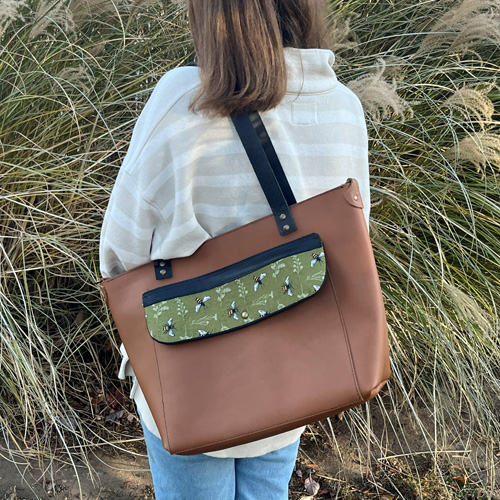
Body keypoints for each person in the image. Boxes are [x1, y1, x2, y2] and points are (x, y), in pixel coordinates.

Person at [99, 0, 370, 498]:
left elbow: (120, 254)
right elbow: (354, 239)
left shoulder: (182, 99)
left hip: (191, 380)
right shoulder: (341, 106)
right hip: (294, 375)